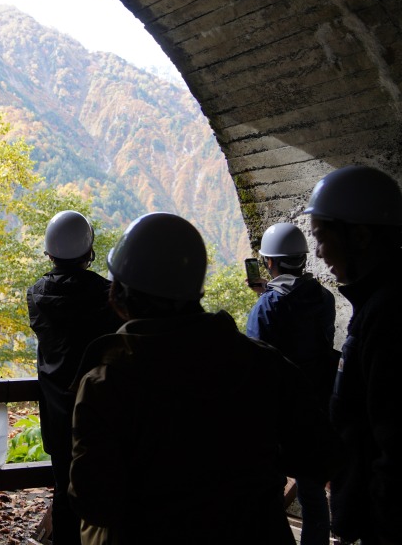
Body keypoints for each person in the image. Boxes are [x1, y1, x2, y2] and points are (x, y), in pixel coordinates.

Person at [68, 212, 340, 545]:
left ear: (119, 294)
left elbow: (93, 500)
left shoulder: (106, 383)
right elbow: (320, 454)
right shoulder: (262, 364)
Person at [302, 164, 402, 544]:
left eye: (321, 237)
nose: (318, 252)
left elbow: (394, 443)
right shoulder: (377, 304)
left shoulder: (387, 315)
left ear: (359, 236)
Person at [26, 210, 122, 545]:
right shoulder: (108, 295)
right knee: (105, 489)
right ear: (89, 251)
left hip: (56, 415)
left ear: (49, 252)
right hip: (102, 410)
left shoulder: (36, 295)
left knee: (63, 491)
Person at [245, 222, 337, 545]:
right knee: (313, 493)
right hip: (316, 406)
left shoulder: (267, 307)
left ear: (269, 262)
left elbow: (255, 363)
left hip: (279, 415)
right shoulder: (324, 298)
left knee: (269, 488)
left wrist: (265, 298)